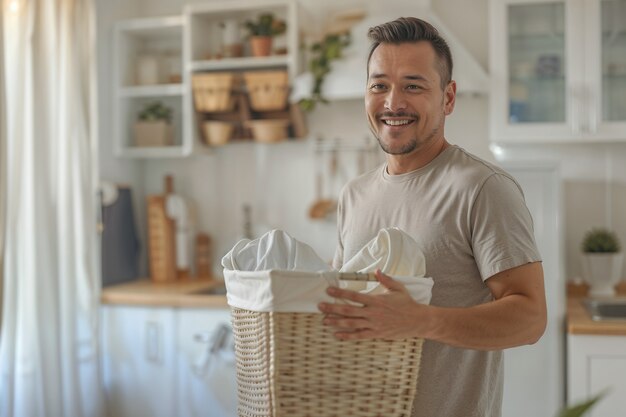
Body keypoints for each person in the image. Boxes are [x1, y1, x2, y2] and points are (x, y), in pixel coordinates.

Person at [317, 17, 547, 417]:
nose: (392, 103)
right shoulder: (354, 195)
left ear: (448, 97)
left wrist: (421, 321)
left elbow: (530, 318)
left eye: (413, 85)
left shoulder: (481, 188)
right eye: (379, 85)